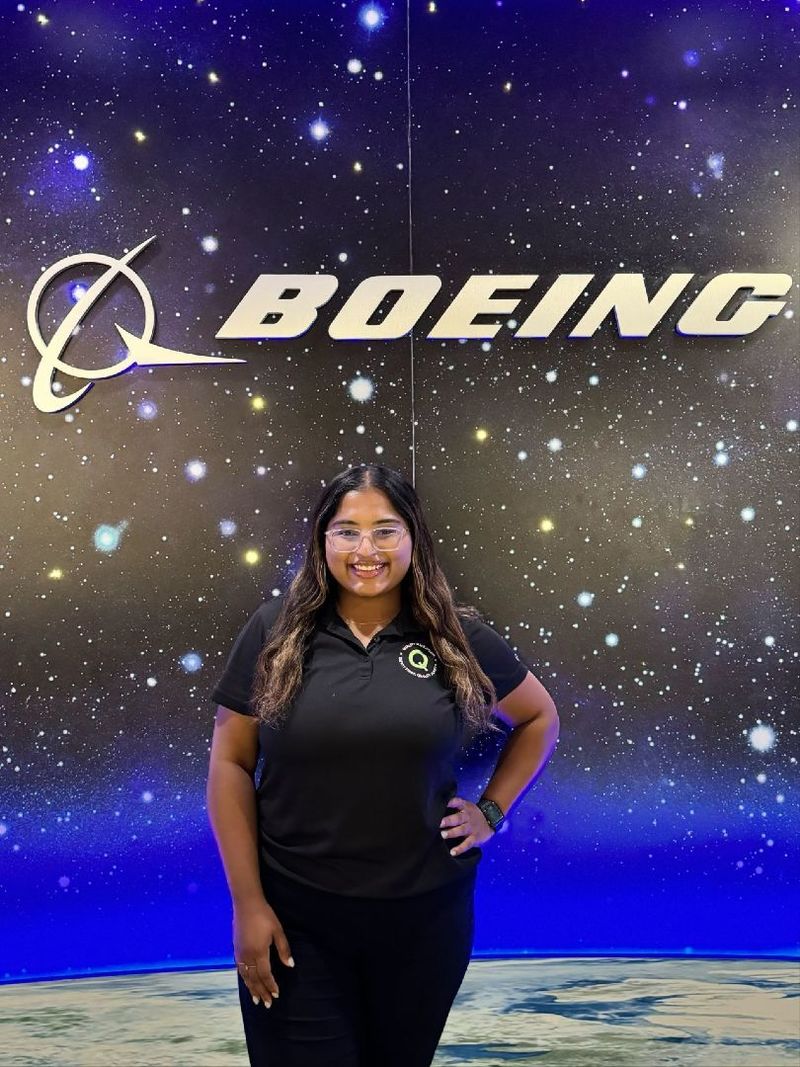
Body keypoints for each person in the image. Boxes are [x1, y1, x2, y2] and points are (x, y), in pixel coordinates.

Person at [206, 463, 559, 1067]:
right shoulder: (274, 631)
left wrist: (491, 812)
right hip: (296, 924)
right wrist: (249, 904)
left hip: (425, 924)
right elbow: (230, 764)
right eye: (347, 531)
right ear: (321, 542)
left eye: (385, 531)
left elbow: (539, 719)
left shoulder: (456, 637)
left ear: (413, 539)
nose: (366, 550)